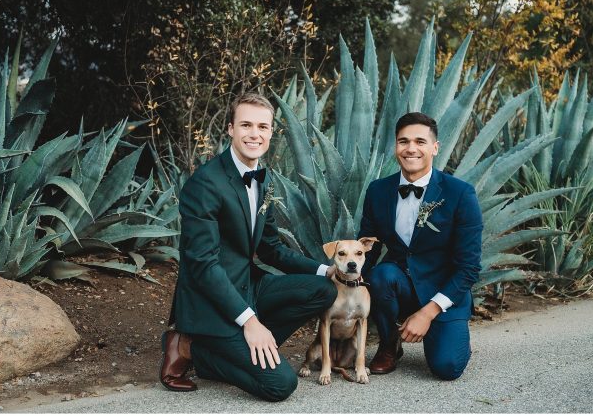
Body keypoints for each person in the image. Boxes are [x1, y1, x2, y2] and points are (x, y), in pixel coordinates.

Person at [160, 92, 337, 401]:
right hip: (211, 301)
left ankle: (247, 350)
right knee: (280, 385)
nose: (255, 134)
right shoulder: (205, 184)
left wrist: (326, 270)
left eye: (262, 127)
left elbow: (271, 249)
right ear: (231, 128)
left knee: (323, 290)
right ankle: (190, 347)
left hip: (248, 285)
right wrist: (250, 322)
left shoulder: (262, 180)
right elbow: (202, 265)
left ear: (271, 132)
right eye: (246, 125)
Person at [358, 112, 483, 380]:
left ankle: (446, 333)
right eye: (403, 141)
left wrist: (428, 313)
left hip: (444, 293)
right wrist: (348, 283)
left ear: (435, 148)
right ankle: (389, 343)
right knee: (381, 274)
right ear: (396, 146)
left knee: (447, 367)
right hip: (400, 286)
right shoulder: (378, 190)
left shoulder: (460, 193)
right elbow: (368, 248)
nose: (411, 148)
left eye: (420, 141)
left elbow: (469, 267)